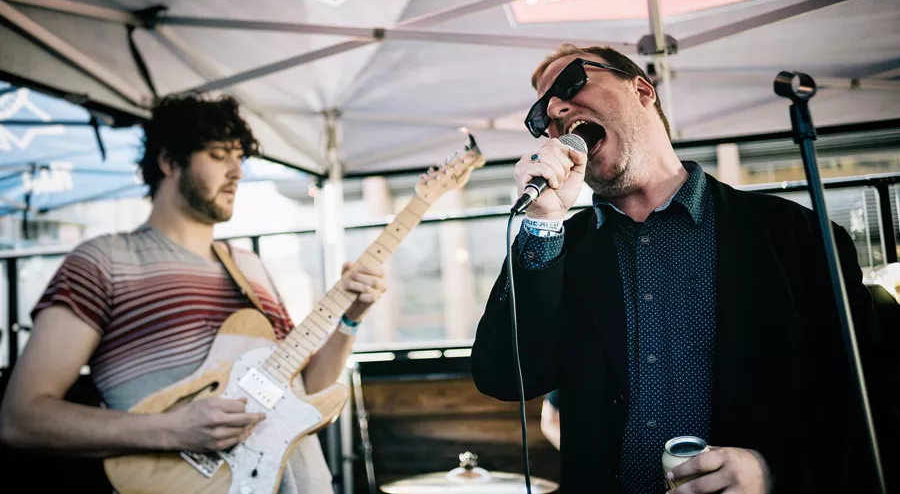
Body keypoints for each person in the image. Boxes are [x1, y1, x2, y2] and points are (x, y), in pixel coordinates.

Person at [470, 44, 899, 494]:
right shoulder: (561, 248)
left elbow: (874, 397)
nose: (554, 112)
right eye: (541, 118)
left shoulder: (796, 235)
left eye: (571, 83)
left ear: (642, 90)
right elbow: (503, 375)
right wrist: (541, 222)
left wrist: (777, 470)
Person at [0, 94, 387, 494]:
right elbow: (21, 418)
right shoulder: (102, 262)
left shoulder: (251, 268)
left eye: (239, 157)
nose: (237, 171)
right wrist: (172, 430)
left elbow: (304, 388)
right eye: (219, 155)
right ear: (169, 162)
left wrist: (350, 317)